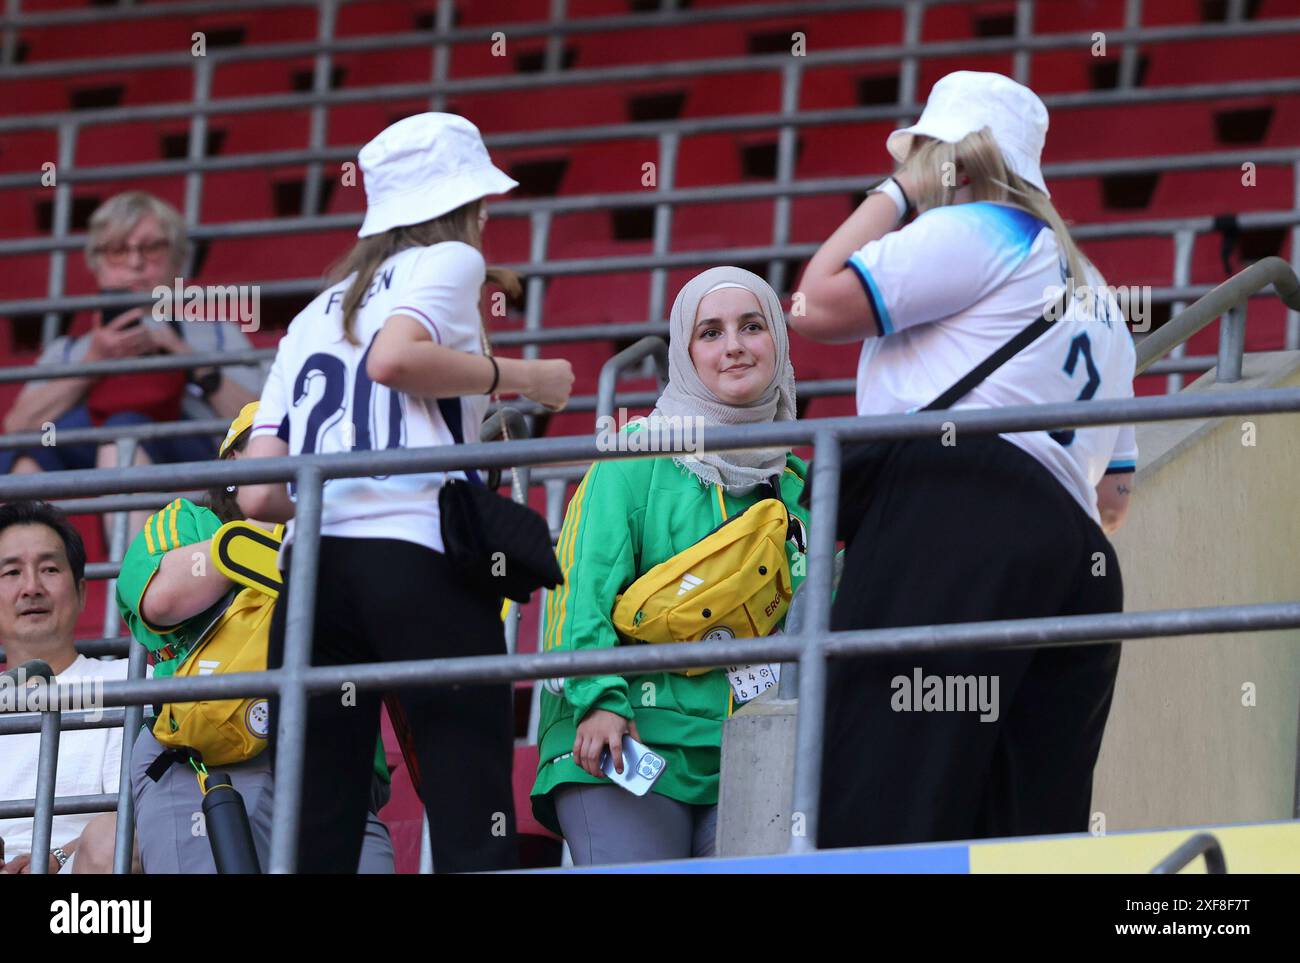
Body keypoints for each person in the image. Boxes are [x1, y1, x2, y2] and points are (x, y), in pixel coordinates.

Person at [792, 71, 1137, 848]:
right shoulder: (1100, 294)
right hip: (1074, 553)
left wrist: (895, 192)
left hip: (952, 516)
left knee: (889, 794)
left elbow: (812, 304)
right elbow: (1114, 493)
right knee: (1025, 824)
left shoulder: (984, 226)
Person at [238, 112, 574, 873]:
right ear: (461, 205)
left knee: (317, 813)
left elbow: (258, 495)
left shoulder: (311, 314)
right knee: (468, 791)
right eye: (482, 201)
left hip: (313, 575)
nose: (489, 215)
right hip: (417, 556)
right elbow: (395, 359)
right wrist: (528, 376)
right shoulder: (451, 259)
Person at [531, 266, 811, 865]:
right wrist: (599, 700)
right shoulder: (634, 459)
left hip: (750, 749)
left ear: (778, 343)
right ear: (685, 357)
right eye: (709, 333)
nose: (733, 346)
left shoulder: (799, 487)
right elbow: (575, 593)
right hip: (624, 733)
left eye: (752, 327)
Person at [116, 403, 394, 873]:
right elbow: (160, 600)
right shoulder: (191, 521)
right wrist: (268, 532)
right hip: (205, 766)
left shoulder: (359, 538)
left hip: (333, 764)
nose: (301, 460)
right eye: (280, 445)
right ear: (232, 465)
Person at [1, 191, 264, 482]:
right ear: (97, 265)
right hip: (89, 461)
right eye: (117, 250)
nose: (135, 262)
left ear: (177, 261)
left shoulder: (217, 334)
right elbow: (17, 427)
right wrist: (93, 363)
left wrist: (189, 360)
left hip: (192, 462)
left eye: (152, 248)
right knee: (23, 457)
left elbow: (261, 427)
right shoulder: (68, 350)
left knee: (123, 432)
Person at [0, 501, 136, 874]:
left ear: (82, 592)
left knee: (115, 837)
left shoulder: (128, 683)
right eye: (12, 572)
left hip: (79, 888)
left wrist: (57, 857)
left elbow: (138, 814)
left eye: (49, 569)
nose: (31, 587)